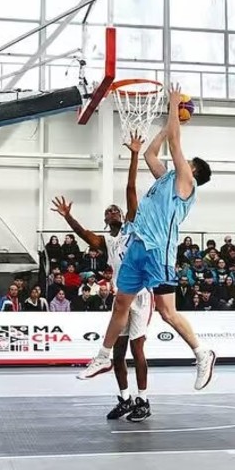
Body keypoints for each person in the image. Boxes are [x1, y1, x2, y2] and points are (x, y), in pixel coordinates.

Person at [77, 85, 216, 391]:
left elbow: (177, 143)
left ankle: (202, 352)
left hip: (158, 251)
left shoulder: (186, 183)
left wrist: (172, 108)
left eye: (188, 161)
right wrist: (167, 127)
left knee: (167, 312)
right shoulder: (166, 177)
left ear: (193, 171)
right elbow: (153, 153)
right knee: (120, 303)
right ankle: (102, 356)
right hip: (137, 247)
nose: (183, 160)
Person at [52, 132, 155, 421]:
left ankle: (143, 400)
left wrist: (135, 154)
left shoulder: (132, 227)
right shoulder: (106, 242)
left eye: (115, 209)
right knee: (119, 354)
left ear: (122, 215)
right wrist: (67, 217)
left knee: (137, 350)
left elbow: (131, 187)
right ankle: (124, 399)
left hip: (142, 295)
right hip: (122, 296)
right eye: (108, 211)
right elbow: (84, 234)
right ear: (105, 219)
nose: (112, 211)